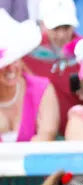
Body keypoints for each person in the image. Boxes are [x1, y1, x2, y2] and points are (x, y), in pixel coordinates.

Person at [27, 0, 83, 134]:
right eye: (55, 28)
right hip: (41, 136)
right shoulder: (26, 55)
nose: (61, 34)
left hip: (79, 135)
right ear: (42, 24)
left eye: (66, 27)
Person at [0, 11, 59, 142]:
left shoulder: (42, 89)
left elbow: (45, 138)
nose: (11, 68)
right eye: (4, 64)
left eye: (14, 60)